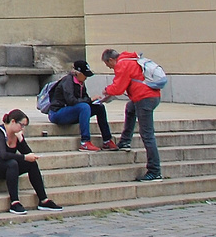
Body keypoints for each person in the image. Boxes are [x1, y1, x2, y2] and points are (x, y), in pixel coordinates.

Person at [0, 109, 61, 214]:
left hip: (8, 167)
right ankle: (14, 202)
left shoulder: (16, 134)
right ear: (13, 121)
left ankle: (43, 200)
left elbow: (28, 154)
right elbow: (3, 155)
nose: (22, 128)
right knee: (12, 163)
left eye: (24, 126)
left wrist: (21, 140)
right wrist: (24, 157)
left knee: (31, 163)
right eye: (21, 125)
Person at [102, 48, 163, 181]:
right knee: (130, 108)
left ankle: (155, 171)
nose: (111, 69)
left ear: (111, 60)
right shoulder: (132, 59)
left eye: (109, 65)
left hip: (144, 98)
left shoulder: (122, 64)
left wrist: (106, 91)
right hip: (151, 96)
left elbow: (118, 88)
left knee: (147, 135)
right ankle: (125, 141)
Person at [45, 60, 115, 152]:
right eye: (85, 75)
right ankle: (85, 142)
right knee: (84, 107)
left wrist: (97, 101)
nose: (86, 77)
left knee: (99, 108)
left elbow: (84, 98)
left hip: (71, 111)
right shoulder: (67, 81)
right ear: (77, 73)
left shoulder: (81, 82)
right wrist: (90, 100)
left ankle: (107, 140)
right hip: (57, 113)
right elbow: (71, 101)